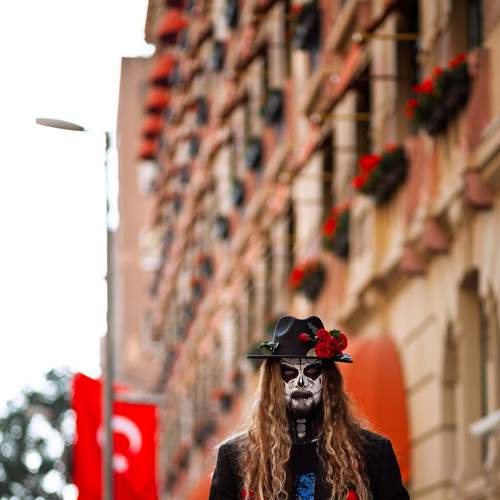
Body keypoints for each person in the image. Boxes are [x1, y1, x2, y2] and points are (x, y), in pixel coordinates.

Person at [209, 315, 410, 500]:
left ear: (327, 380)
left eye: (311, 371)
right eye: (289, 373)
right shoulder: (234, 459)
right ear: (274, 382)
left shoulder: (373, 453)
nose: (301, 382)